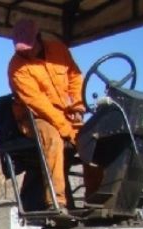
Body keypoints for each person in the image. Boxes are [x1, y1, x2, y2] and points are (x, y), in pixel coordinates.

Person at [8, 18, 86, 210]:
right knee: (53, 139)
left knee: (94, 138)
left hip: (65, 115)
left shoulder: (58, 50)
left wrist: (77, 106)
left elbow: (75, 77)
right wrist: (66, 128)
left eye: (29, 47)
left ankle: (98, 199)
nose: (26, 52)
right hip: (35, 118)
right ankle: (57, 201)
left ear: (39, 38)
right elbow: (39, 105)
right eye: (21, 50)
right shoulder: (16, 68)